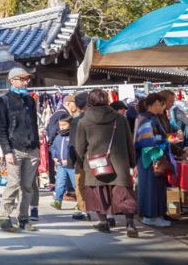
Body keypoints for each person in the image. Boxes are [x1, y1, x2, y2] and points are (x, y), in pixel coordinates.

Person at [75, 89, 138, 238]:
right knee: (124, 193)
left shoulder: (83, 121)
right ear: (107, 100)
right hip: (119, 162)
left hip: (95, 164)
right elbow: (129, 141)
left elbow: (79, 146)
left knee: (98, 193)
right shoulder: (120, 118)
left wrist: (82, 162)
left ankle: (103, 223)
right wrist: (132, 161)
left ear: (90, 101)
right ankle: (130, 224)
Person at [0, 67, 40, 232]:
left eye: (27, 79)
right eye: (22, 79)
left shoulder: (30, 100)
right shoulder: (3, 101)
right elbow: (0, 128)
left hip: (32, 148)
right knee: (13, 183)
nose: (26, 81)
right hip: (14, 149)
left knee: (28, 186)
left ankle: (24, 218)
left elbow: (34, 124)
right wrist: (6, 151)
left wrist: (38, 145)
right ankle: (3, 217)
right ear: (12, 80)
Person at [134, 93, 172, 228]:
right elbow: (147, 141)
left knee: (155, 187)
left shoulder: (147, 117)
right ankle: (151, 216)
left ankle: (154, 215)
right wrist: (162, 148)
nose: (165, 108)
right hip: (150, 157)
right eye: (163, 105)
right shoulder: (147, 118)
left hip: (150, 156)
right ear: (157, 103)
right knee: (151, 187)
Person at [69, 92, 89, 221]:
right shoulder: (103, 117)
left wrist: (71, 160)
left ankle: (84, 211)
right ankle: (107, 214)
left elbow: (74, 142)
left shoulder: (77, 121)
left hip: (83, 158)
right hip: (102, 157)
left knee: (81, 184)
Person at [50, 116, 76, 210]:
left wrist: (70, 160)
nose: (62, 127)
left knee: (76, 184)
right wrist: (54, 157)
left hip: (72, 165)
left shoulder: (73, 136)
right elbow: (53, 148)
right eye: (60, 125)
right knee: (59, 183)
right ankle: (58, 201)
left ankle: (81, 203)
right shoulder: (58, 136)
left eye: (64, 125)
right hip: (61, 165)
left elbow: (76, 150)